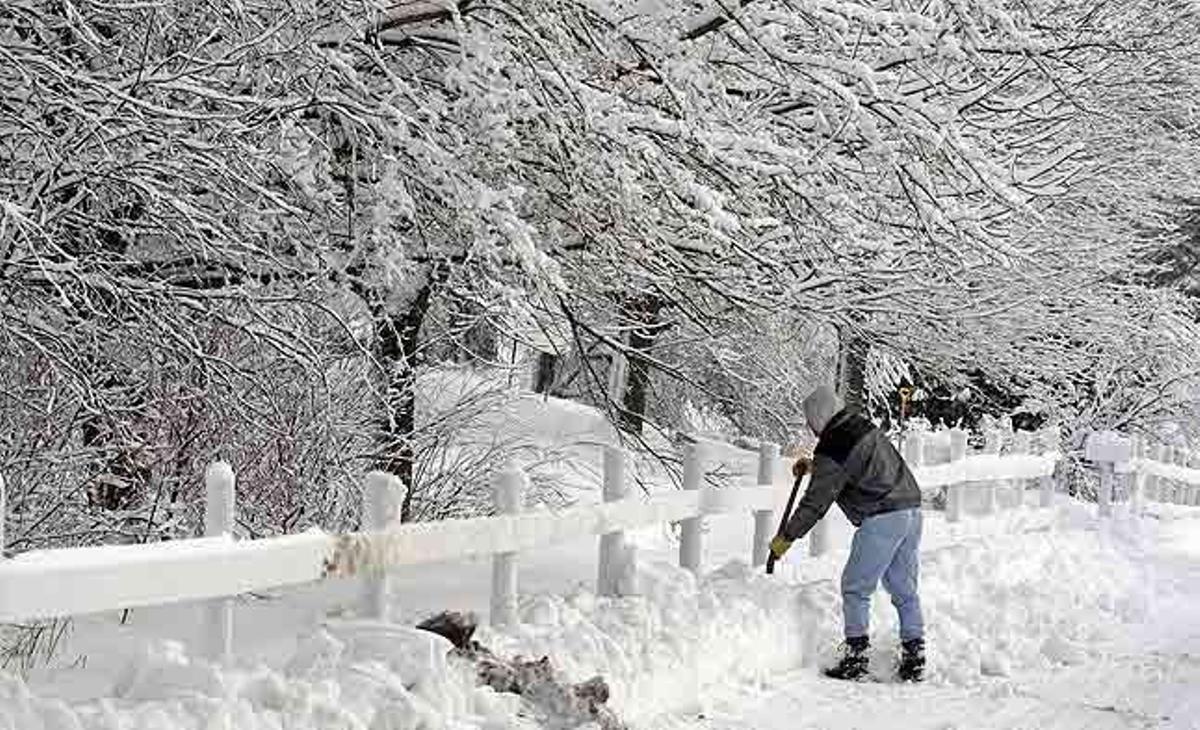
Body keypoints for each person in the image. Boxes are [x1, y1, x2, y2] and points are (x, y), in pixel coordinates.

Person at [769, 385, 926, 682]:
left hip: (882, 515)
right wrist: (814, 467)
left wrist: (787, 537)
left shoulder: (833, 445)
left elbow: (816, 502)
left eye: (810, 420)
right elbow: (857, 464)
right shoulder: (859, 425)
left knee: (855, 587)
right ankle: (914, 653)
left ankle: (856, 657)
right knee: (903, 587)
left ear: (818, 416)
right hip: (911, 509)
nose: (810, 427)